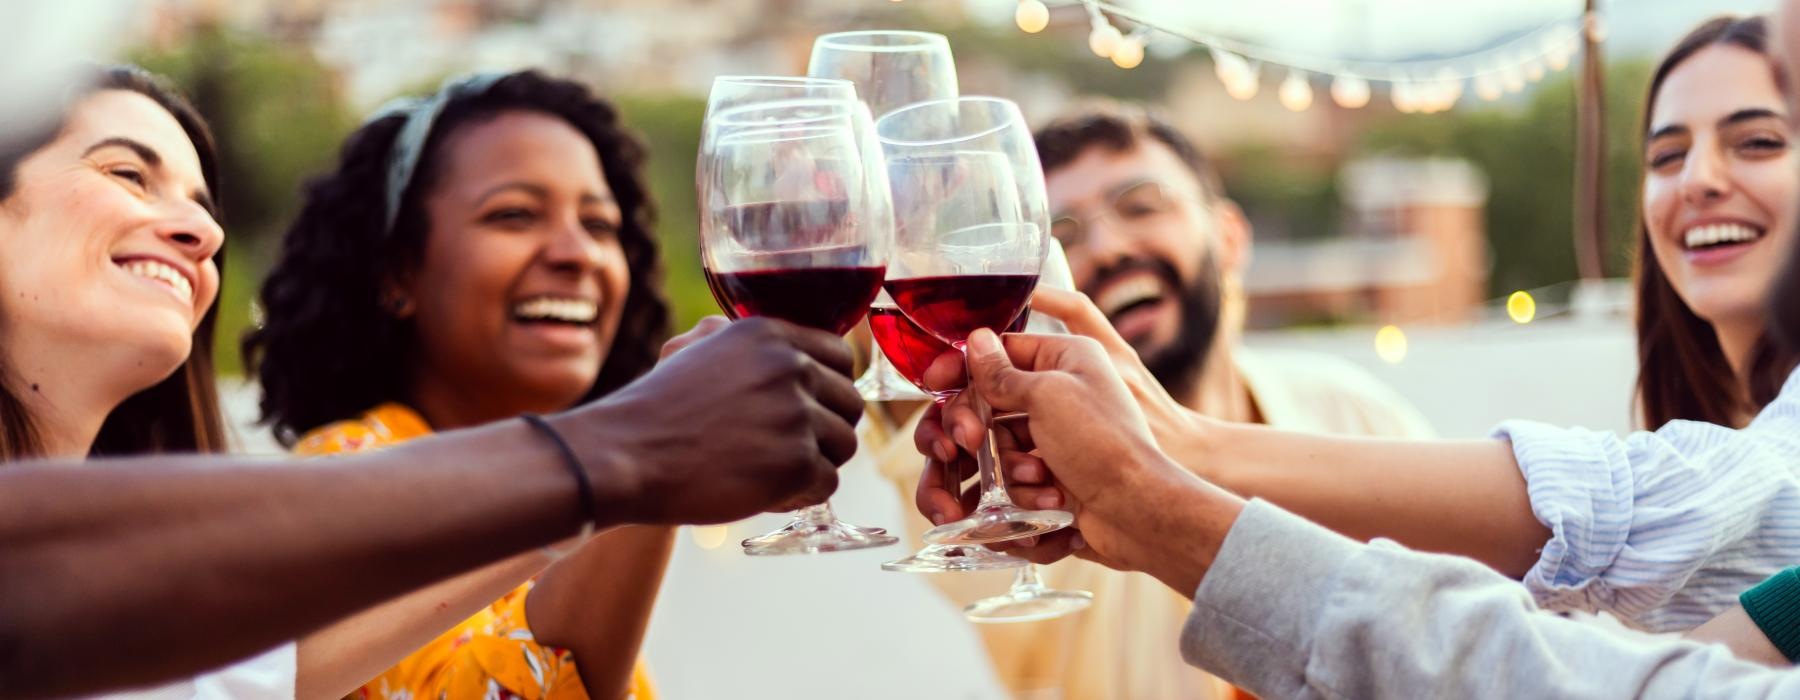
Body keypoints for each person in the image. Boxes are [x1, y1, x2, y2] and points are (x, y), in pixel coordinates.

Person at [920, 13, 1800, 637]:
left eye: (1758, 141)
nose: (1699, 181)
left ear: (1232, 238)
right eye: (1666, 154)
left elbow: (1679, 508)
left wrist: (1177, 459)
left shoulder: (1355, 414)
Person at [0, 65, 863, 698]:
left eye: (203, 201)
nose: (198, 226)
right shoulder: (333, 480)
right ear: (396, 273)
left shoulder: (183, 643)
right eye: (125, 171)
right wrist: (637, 445)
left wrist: (645, 457)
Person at [870, 105, 1432, 699]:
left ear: (1230, 238)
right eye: (1062, 235)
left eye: (1141, 205)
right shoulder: (1033, 477)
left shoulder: (1358, 415)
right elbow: (907, 398)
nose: (1108, 248)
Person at [242, 70, 668, 699]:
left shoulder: (554, 506)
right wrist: (655, 441)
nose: (579, 254)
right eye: (515, 215)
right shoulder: (346, 477)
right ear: (398, 274)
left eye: (601, 225)